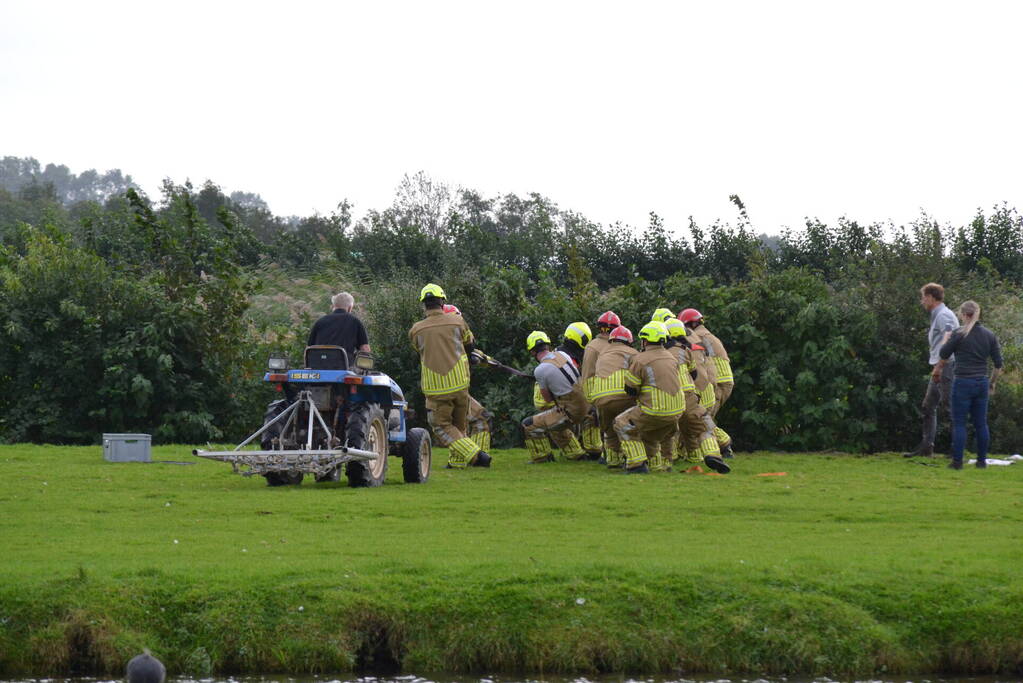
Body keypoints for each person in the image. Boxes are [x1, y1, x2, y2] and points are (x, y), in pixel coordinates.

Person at [408, 284, 491, 469]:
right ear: (442, 301)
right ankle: (457, 463)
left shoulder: (416, 330)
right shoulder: (458, 322)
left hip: (436, 387)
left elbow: (419, 351)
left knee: (441, 426)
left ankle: (479, 457)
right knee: (459, 426)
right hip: (460, 383)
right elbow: (470, 346)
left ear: (424, 305)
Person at [613, 322, 687, 474]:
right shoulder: (671, 357)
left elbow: (630, 389)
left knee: (622, 423)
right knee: (650, 435)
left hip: (655, 410)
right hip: (677, 412)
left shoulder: (640, 359)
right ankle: (656, 466)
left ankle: (637, 464)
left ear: (645, 341)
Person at [937, 301, 1003, 469]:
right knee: (981, 423)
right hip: (981, 381)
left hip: (963, 382)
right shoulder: (989, 335)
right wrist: (992, 383)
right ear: (977, 314)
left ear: (963, 315)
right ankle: (981, 461)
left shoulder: (959, 334)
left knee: (959, 423)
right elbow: (998, 364)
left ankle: (957, 462)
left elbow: (943, 354)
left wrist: (946, 338)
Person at [903, 282, 959, 458]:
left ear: (930, 297)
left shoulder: (944, 315)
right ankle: (926, 447)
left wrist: (939, 366)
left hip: (947, 365)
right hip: (941, 365)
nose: (922, 301)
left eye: (923, 297)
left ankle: (957, 449)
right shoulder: (939, 315)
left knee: (950, 407)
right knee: (928, 406)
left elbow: (949, 339)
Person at [522, 330, 588, 463]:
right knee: (554, 422)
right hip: (587, 404)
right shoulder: (562, 354)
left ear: (532, 352)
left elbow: (548, 399)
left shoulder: (540, 370)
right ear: (548, 345)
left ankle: (542, 457)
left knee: (528, 425)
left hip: (572, 411)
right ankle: (576, 454)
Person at [443, 303, 493, 454]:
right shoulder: (448, 344)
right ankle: (476, 457)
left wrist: (487, 360)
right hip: (453, 390)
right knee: (476, 419)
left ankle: (474, 458)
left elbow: (471, 354)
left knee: (477, 419)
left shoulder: (456, 343)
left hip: (455, 389)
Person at [590, 324, 638, 469]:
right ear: (629, 340)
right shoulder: (633, 353)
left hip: (600, 398)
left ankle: (612, 461)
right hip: (622, 396)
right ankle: (632, 458)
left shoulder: (602, 354)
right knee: (631, 427)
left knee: (609, 431)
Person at [679, 308, 734, 417]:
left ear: (693, 324)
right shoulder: (706, 334)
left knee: (703, 424)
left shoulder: (697, 337)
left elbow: (697, 362)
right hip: (723, 383)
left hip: (718, 384)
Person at [581, 312, 620, 460]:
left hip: (598, 390)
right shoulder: (616, 346)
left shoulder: (592, 346)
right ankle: (609, 455)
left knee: (606, 425)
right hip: (612, 390)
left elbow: (586, 374)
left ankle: (609, 455)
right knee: (610, 425)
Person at [307, 291, 371, 365]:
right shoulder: (355, 321)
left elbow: (308, 349)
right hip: (344, 366)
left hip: (318, 366)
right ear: (350, 308)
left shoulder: (320, 321)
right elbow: (365, 349)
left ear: (333, 306)